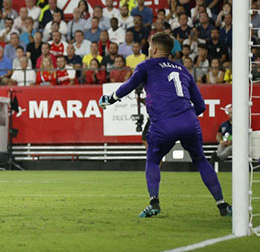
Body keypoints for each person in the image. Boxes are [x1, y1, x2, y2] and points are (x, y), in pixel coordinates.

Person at [99, 33, 231, 218]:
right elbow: (200, 105)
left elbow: (129, 85)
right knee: (200, 159)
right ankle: (222, 205)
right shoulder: (183, 69)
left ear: (153, 49)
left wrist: (109, 99)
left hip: (163, 124)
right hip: (189, 121)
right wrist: (184, 117)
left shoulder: (146, 65)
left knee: (153, 160)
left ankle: (154, 202)